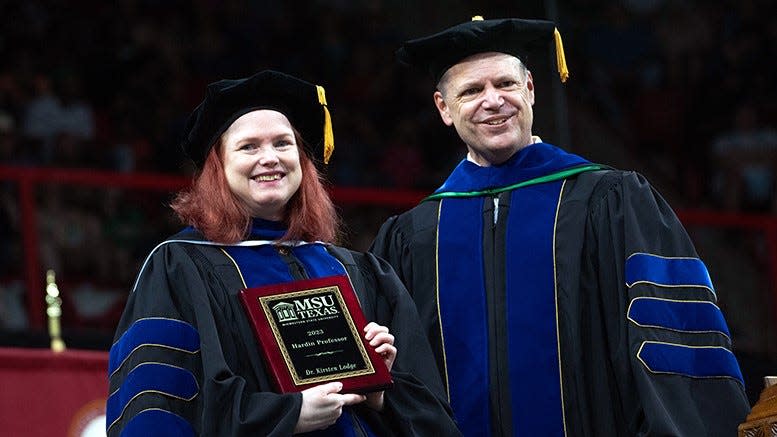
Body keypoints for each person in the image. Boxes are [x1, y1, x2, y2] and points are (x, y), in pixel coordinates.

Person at [370, 17, 751, 436]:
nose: (493, 101)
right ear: (444, 108)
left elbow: (675, 347)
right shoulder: (414, 236)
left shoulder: (610, 201)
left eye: (505, 84)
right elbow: (401, 381)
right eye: (472, 91)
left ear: (530, 88)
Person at [107, 70, 460, 436]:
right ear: (219, 166)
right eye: (249, 147)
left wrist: (380, 389)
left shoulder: (359, 270)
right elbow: (161, 408)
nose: (270, 158)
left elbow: (431, 412)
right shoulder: (180, 266)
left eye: (283, 143)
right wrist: (288, 413)